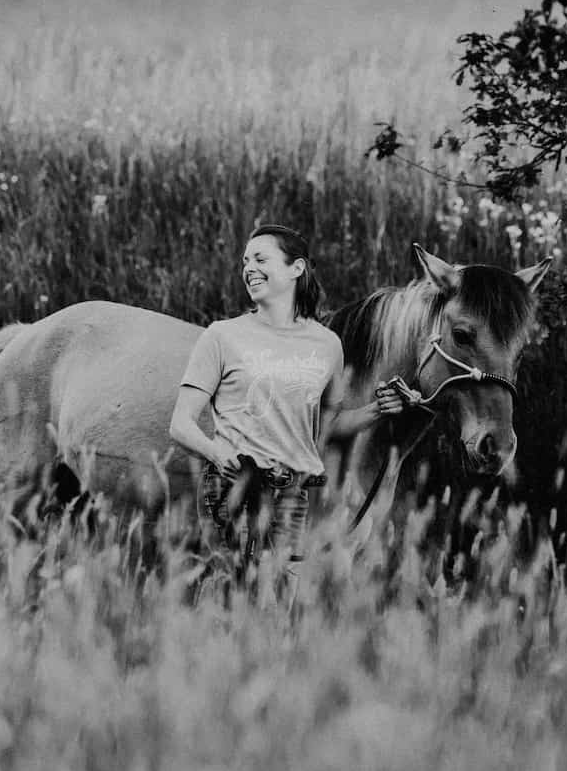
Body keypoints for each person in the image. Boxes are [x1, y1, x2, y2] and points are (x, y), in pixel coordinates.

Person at [169, 224, 409, 579]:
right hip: (236, 485)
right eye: (245, 261)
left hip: (294, 493)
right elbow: (180, 424)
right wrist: (217, 454)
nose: (248, 267)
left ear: (296, 268)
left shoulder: (328, 345)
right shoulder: (222, 335)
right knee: (232, 588)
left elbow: (323, 432)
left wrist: (377, 409)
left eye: (260, 258)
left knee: (279, 598)